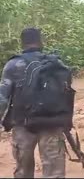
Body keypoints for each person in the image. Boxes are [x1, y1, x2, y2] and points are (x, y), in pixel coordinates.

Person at [0, 28, 74, 178]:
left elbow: (3, 97)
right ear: (40, 41)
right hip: (52, 123)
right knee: (55, 173)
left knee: (23, 172)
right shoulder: (55, 63)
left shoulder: (13, 65)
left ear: (22, 43)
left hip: (23, 125)